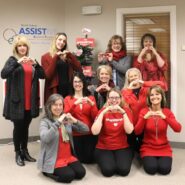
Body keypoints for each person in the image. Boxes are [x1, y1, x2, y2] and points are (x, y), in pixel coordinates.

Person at [1, 35, 45, 166]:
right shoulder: (12, 60)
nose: (22, 48)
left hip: (29, 101)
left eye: (24, 45)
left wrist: (36, 65)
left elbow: (43, 75)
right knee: (18, 127)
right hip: (17, 102)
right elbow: (3, 74)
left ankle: (25, 151)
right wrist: (18, 63)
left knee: (25, 127)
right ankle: (17, 152)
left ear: (27, 48)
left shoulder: (31, 61)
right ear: (16, 47)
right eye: (19, 45)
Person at [37, 94, 88, 183]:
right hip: (54, 158)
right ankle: (46, 171)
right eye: (55, 105)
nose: (58, 107)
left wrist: (74, 120)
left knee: (81, 173)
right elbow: (45, 138)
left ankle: (65, 167)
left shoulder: (66, 120)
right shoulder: (45, 122)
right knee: (68, 176)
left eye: (60, 105)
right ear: (49, 106)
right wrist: (58, 122)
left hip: (68, 156)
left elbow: (86, 130)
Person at [134, 85, 181, 175]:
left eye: (157, 94)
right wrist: (144, 118)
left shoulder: (167, 112)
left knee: (164, 170)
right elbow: (137, 132)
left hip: (164, 147)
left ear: (162, 96)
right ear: (149, 98)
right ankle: (144, 157)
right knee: (151, 169)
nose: (154, 96)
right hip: (148, 147)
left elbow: (178, 129)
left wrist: (165, 117)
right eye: (152, 95)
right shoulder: (144, 111)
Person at [91, 88, 134, 177]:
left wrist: (123, 113)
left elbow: (129, 131)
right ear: (108, 99)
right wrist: (103, 112)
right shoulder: (102, 111)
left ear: (120, 98)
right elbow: (95, 132)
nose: (114, 100)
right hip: (104, 147)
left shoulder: (126, 111)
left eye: (116, 98)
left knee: (123, 171)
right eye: (111, 98)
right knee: (108, 171)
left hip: (122, 146)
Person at [122, 68, 165, 152]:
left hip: (145, 122)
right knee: (131, 146)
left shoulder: (147, 89)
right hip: (131, 124)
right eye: (131, 76)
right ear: (128, 79)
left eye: (135, 75)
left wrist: (144, 83)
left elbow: (162, 85)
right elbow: (124, 104)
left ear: (139, 76)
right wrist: (129, 89)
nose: (134, 78)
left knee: (144, 147)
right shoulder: (125, 91)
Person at [64, 72, 98, 163]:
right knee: (79, 160)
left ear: (83, 83)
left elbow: (95, 117)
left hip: (89, 133)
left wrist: (93, 105)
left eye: (80, 81)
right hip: (75, 134)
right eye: (75, 82)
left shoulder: (91, 98)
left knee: (90, 160)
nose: (77, 84)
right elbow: (65, 116)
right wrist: (75, 104)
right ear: (72, 83)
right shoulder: (68, 99)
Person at [41, 32, 82, 103]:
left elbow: (79, 69)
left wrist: (70, 55)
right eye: (60, 40)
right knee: (55, 112)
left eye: (64, 41)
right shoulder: (45, 57)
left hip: (68, 90)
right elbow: (47, 76)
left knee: (68, 112)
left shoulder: (67, 57)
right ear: (55, 41)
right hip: (55, 90)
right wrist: (56, 57)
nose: (62, 42)